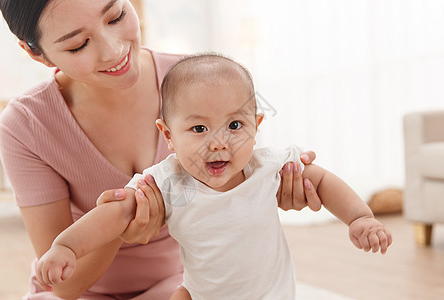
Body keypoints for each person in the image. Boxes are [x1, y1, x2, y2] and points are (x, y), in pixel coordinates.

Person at [0, 1, 321, 299]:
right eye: (78, 44)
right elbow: (65, 285)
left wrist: (273, 189)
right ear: (37, 53)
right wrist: (117, 229)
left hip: (182, 284)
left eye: (116, 16)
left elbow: (241, 168)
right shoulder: (27, 124)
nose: (113, 51)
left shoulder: (196, 79)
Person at [35, 54, 392, 299]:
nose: (218, 143)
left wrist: (359, 217)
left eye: (235, 125)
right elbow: (116, 213)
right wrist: (66, 245)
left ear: (257, 126)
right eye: (199, 128)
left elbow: (324, 180)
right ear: (168, 135)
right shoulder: (170, 182)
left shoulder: (266, 168)